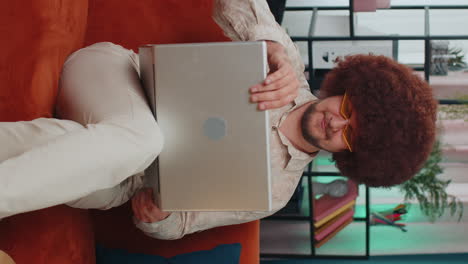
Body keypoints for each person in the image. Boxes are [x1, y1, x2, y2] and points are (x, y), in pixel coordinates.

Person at [0, 0, 436, 241]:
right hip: (113, 75)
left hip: (117, 179)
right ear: (347, 89)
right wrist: (270, 45)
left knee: (85, 165)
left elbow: (182, 225)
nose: (336, 125)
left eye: (352, 136)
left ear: (353, 158)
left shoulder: (276, 192)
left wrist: (158, 217)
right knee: (142, 140)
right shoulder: (286, 65)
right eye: (347, 111)